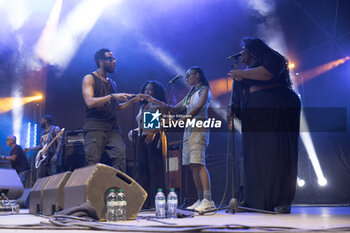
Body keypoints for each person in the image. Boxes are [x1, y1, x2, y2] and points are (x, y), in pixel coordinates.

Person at [228, 37, 301, 213]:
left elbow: (268, 73)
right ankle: (255, 200)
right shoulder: (243, 72)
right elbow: (237, 95)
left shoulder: (272, 58)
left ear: (253, 50)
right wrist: (232, 112)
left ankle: (282, 200)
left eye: (243, 51)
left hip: (278, 108)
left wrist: (241, 74)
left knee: (279, 152)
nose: (241, 56)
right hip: (254, 114)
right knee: (253, 157)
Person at [141, 67, 216, 212]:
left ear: (198, 75)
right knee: (192, 164)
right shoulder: (190, 93)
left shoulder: (204, 90)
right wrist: (156, 101)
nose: (186, 78)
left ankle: (208, 199)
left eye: (189, 75)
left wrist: (178, 120)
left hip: (198, 128)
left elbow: (196, 110)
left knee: (199, 163)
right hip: (188, 130)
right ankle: (200, 199)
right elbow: (174, 108)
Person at [82, 48, 139, 172]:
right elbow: (89, 102)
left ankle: (116, 191)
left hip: (113, 127)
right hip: (95, 127)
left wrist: (132, 101)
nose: (114, 61)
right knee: (92, 164)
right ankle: (92, 191)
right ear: (101, 61)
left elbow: (117, 107)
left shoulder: (112, 83)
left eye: (114, 59)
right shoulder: (89, 78)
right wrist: (112, 96)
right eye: (110, 59)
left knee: (120, 158)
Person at [128, 80, 167, 209]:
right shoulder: (143, 106)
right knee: (142, 170)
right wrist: (135, 130)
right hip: (142, 138)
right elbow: (144, 124)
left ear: (156, 92)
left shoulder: (157, 105)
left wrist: (154, 130)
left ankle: (157, 201)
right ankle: (145, 202)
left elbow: (167, 120)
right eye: (145, 90)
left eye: (150, 89)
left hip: (155, 138)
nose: (147, 92)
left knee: (155, 170)